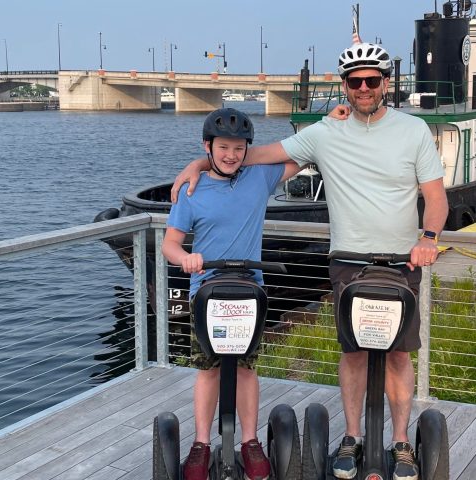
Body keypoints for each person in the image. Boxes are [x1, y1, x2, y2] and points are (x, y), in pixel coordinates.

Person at [172, 40, 448, 480]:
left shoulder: (413, 131)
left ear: (385, 84)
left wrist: (429, 237)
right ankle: (352, 437)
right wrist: (199, 164)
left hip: (401, 263)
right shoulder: (324, 133)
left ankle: (400, 443)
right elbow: (249, 155)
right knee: (353, 353)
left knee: (398, 355)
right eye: (354, 81)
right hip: (348, 261)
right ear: (344, 86)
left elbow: (435, 197)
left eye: (371, 80)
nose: (363, 88)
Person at [162, 107, 302, 480]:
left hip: (248, 290)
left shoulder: (259, 178)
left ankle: (250, 441)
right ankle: (202, 443)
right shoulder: (191, 190)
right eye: (223, 147)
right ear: (208, 146)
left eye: (239, 148)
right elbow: (170, 245)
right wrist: (187, 258)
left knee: (244, 368)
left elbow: (303, 154)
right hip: (205, 291)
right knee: (208, 370)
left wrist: (330, 121)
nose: (230, 155)